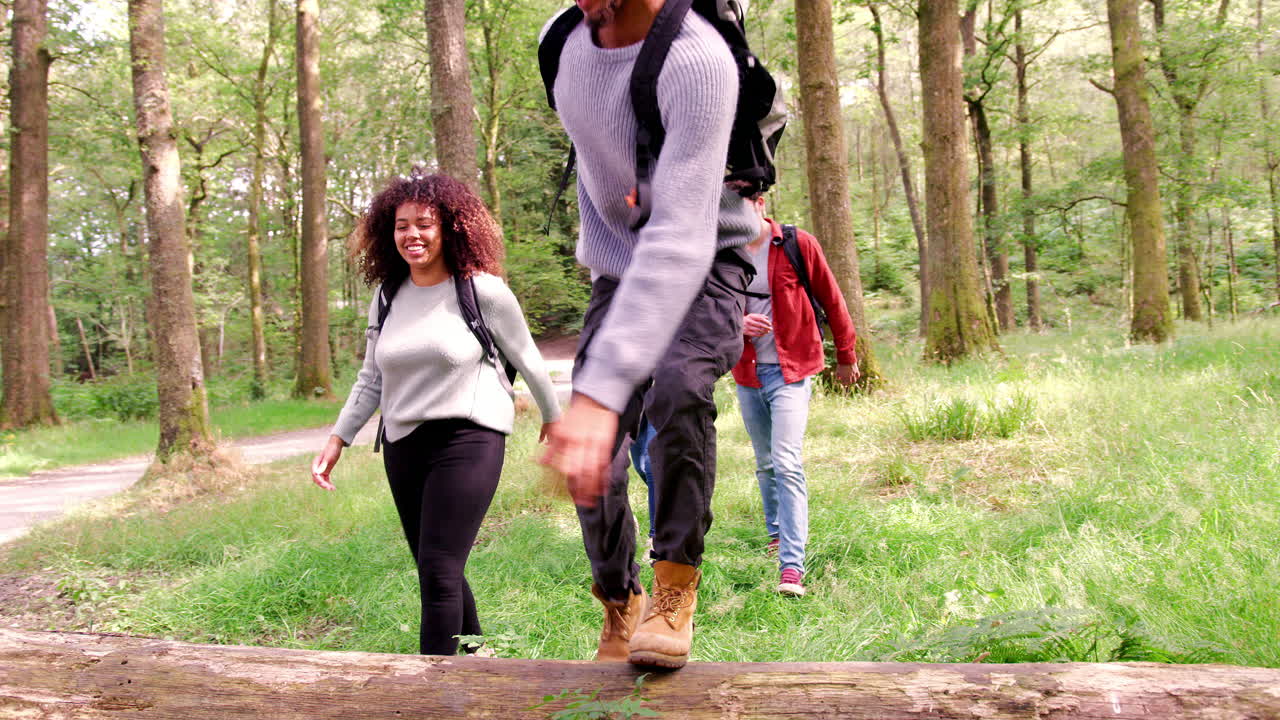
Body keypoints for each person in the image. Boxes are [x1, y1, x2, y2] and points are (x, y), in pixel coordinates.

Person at [538, 0, 758, 669]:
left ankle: (674, 589)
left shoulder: (697, 59)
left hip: (710, 256)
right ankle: (618, 599)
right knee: (591, 451)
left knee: (678, 391)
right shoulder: (560, 43)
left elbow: (681, 238)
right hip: (619, 270)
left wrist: (604, 394)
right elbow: (596, 160)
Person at [311, 172, 561, 656]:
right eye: (402, 225)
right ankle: (476, 657)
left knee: (440, 570)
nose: (413, 235)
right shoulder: (387, 296)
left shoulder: (482, 290)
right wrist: (338, 438)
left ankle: (434, 690)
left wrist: (554, 418)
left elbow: (527, 356)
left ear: (449, 228)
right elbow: (371, 378)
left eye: (424, 223)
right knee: (433, 564)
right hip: (403, 443)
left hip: (468, 438)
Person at [732, 193, 859, 598]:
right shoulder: (723, 251)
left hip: (793, 368)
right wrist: (736, 322)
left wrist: (846, 355)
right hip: (747, 372)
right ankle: (775, 534)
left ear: (761, 203)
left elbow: (832, 298)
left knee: (787, 462)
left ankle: (792, 566)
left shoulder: (796, 243)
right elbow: (705, 307)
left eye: (743, 203)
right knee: (765, 462)